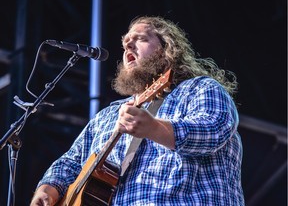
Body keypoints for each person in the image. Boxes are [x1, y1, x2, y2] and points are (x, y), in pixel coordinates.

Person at [30, 16, 244, 205]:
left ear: (167, 48)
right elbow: (72, 161)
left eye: (140, 38)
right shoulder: (107, 116)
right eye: (125, 44)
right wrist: (49, 186)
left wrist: (155, 128)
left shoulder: (199, 88)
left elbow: (214, 130)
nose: (128, 45)